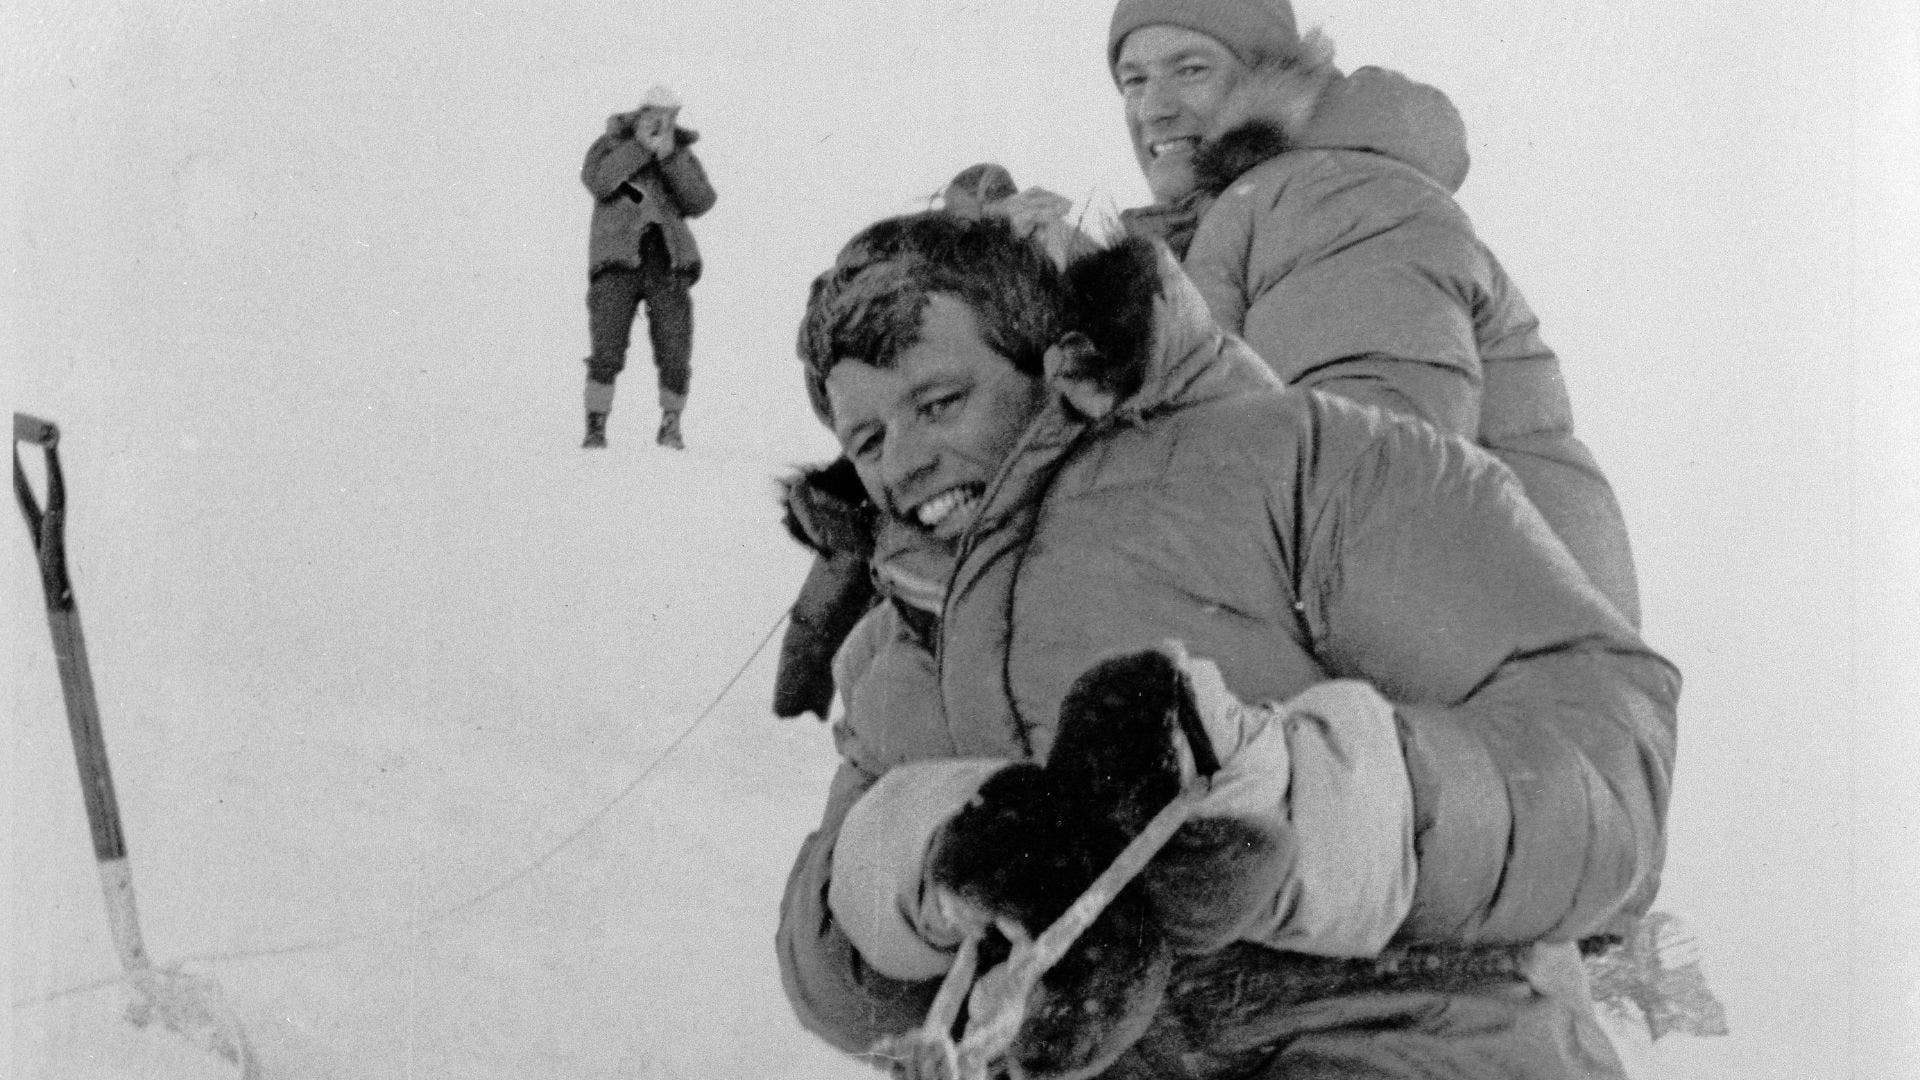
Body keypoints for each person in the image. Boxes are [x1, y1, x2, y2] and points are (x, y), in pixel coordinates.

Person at [775, 212, 1677, 1078]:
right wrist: (940, 855)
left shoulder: (1301, 463)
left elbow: (1602, 760)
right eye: (867, 440)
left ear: (1053, 361)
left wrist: (1274, 790)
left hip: (1400, 1037)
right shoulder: (893, 648)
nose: (905, 462)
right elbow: (826, 975)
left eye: (938, 403)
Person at [1108, 0, 1642, 628]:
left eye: (1189, 70)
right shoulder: (1243, 217)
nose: (1153, 109)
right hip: (1474, 667)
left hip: (1487, 677)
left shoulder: (1330, 195)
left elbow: (1370, 476)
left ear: (1265, 75)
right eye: (1134, 80)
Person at [578, 84, 716, 449]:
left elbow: (701, 200)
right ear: (638, 113)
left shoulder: (680, 154)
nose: (660, 123)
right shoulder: (610, 144)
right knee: (606, 348)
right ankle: (596, 426)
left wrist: (669, 157)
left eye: (668, 117)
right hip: (616, 261)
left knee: (675, 350)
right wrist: (638, 148)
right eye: (653, 115)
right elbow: (601, 180)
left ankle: (671, 424)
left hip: (668, 263)